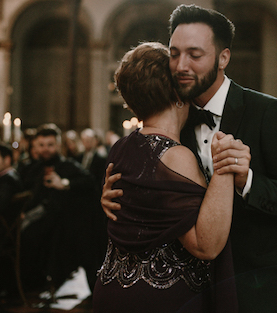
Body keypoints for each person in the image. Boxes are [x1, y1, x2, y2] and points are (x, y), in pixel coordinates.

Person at [102, 4, 277, 313]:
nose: (181, 65)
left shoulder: (269, 113)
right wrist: (117, 200)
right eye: (175, 53)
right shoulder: (174, 120)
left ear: (223, 58)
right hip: (205, 292)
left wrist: (248, 181)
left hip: (269, 288)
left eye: (195, 55)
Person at [93, 42, 237, 313]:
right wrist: (224, 166)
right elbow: (205, 246)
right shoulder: (175, 156)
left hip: (113, 289)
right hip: (161, 298)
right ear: (177, 91)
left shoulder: (120, 147)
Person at [20, 124, 99, 294]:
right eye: (41, 145)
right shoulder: (33, 168)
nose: (45, 149)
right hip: (43, 222)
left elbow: (90, 182)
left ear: (57, 145)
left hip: (68, 225)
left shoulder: (68, 166)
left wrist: (64, 183)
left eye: (50, 145)